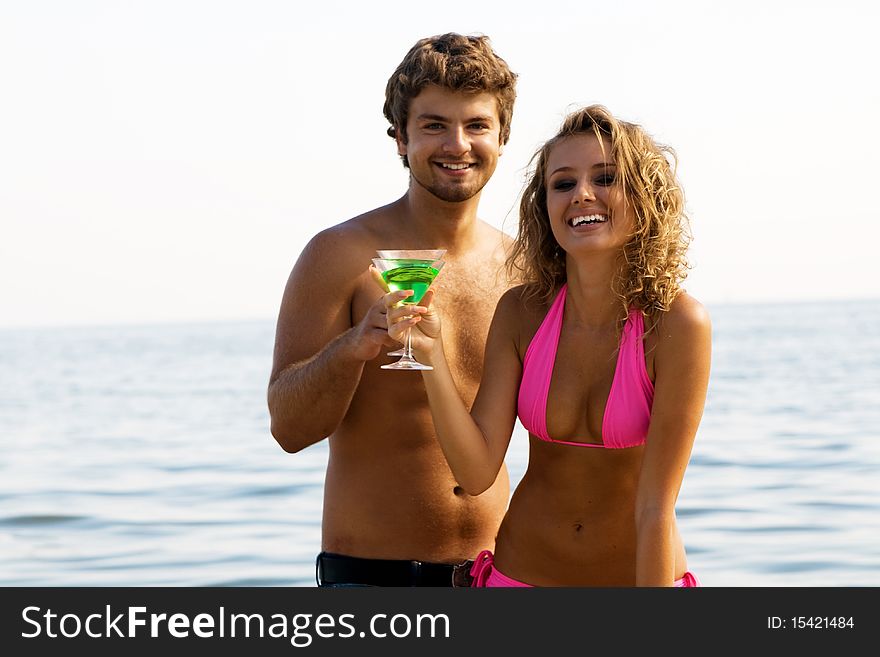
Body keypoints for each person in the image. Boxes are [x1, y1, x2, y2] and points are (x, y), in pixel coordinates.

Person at [383, 105, 711, 586]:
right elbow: (476, 474)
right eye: (562, 183)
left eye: (605, 178)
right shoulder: (522, 312)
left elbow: (655, 507)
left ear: (644, 200)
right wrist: (430, 356)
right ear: (545, 207)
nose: (581, 195)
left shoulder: (677, 323)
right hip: (515, 580)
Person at [267, 33, 518, 587]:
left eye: (477, 125)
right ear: (400, 138)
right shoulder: (340, 255)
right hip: (371, 579)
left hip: (501, 576)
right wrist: (351, 348)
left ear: (503, 138)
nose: (457, 144)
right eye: (433, 125)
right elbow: (288, 427)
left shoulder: (524, 268)